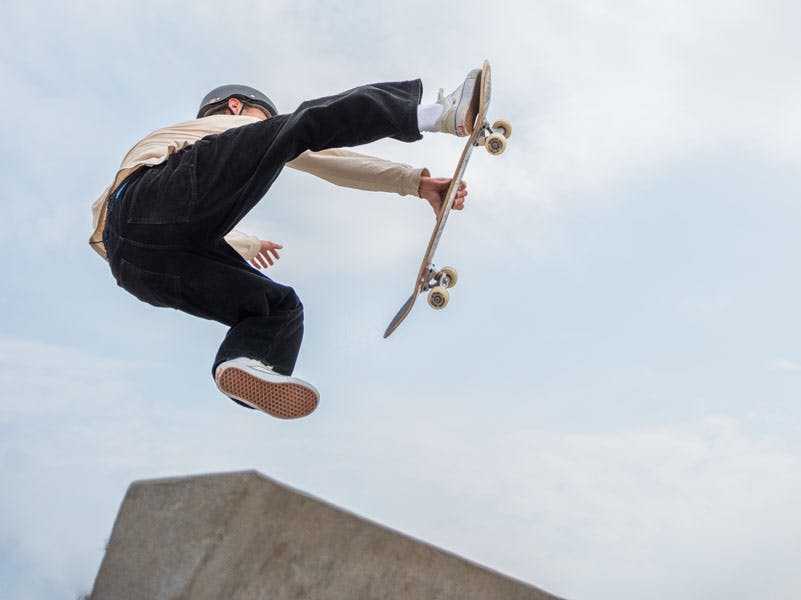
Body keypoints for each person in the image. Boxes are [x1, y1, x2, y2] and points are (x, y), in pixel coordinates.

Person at [90, 66, 482, 419]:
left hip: (134, 269)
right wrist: (411, 181)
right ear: (235, 106)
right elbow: (319, 154)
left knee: (279, 308)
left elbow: (137, 230)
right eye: (263, 119)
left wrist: (242, 244)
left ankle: (248, 359)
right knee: (302, 125)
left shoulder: (166, 155)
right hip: (152, 201)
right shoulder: (214, 128)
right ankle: (437, 114)